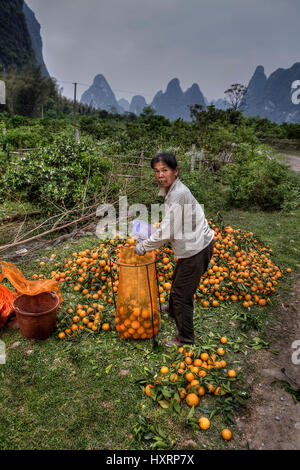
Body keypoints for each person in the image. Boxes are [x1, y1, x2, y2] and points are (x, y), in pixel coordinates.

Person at [134, 152, 214, 347]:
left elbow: (167, 232)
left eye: (165, 170)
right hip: (192, 244)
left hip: (197, 248)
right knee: (177, 280)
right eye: (156, 171)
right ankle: (171, 310)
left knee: (181, 294)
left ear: (175, 171)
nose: (160, 175)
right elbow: (171, 223)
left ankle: (186, 338)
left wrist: (144, 246)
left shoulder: (178, 193)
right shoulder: (171, 190)